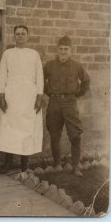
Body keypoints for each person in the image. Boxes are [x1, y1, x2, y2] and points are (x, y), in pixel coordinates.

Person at [0, 25, 44, 173]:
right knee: (9, 128)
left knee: (27, 129)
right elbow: (2, 75)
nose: (20, 36)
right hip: (12, 97)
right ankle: (8, 163)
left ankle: (24, 164)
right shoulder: (8, 54)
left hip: (29, 97)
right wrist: (1, 96)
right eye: (18, 34)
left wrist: (39, 96)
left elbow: (40, 76)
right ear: (14, 36)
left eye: (23, 34)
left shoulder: (34, 54)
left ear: (27, 36)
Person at [44, 35, 90, 177]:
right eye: (61, 49)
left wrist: (77, 95)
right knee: (54, 134)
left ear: (71, 51)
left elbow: (86, 81)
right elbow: (41, 81)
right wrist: (50, 93)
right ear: (57, 50)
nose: (63, 52)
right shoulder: (49, 65)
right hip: (54, 103)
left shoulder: (77, 66)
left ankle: (76, 166)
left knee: (75, 135)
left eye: (66, 49)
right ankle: (57, 164)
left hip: (70, 103)